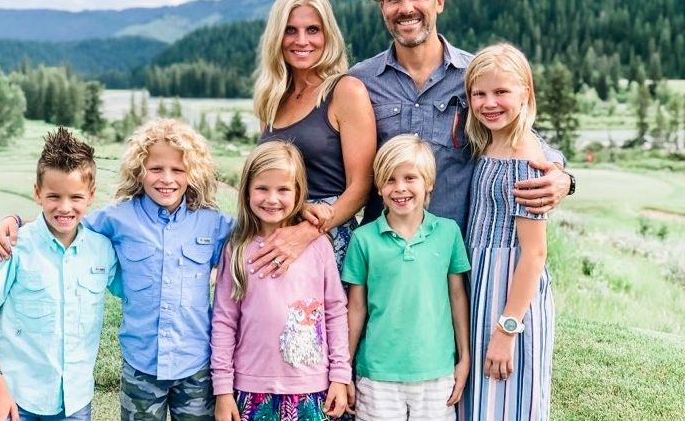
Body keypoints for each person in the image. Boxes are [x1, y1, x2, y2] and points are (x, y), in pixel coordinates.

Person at [0, 119, 234, 421]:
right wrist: (14, 221)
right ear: (139, 170)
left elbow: (258, 233)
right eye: (156, 169)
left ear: (192, 173)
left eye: (178, 170)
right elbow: (64, 224)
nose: (166, 179)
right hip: (141, 367)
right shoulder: (118, 218)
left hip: (196, 366)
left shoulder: (213, 223)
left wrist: (303, 215)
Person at [350, 0, 574, 232]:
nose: (406, 8)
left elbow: (523, 135)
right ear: (383, 8)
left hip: (456, 261)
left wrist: (561, 176)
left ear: (439, 1)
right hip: (383, 260)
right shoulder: (359, 82)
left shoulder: (476, 77)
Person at [0, 127, 117, 420]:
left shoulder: (103, 249)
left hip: (75, 403)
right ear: (37, 193)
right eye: (54, 196)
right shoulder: (13, 246)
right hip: (16, 398)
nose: (65, 207)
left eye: (76, 196)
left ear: (91, 195)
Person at [211, 141, 351, 421]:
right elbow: (224, 320)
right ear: (247, 190)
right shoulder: (237, 248)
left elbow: (335, 312)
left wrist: (340, 376)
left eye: (283, 189)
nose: (272, 199)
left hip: (312, 388)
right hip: (251, 388)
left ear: (299, 193)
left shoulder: (319, 246)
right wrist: (223, 390)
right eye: (262, 188)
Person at [342, 134, 470, 420]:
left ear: (429, 183)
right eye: (389, 180)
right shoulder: (363, 239)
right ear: (378, 187)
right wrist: (344, 369)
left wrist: (464, 358)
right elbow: (356, 307)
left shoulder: (448, 233)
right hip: (377, 375)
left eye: (410, 178)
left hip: (436, 372)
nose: (399, 188)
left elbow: (457, 297)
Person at [252, 0, 377, 277]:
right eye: (291, 30)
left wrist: (306, 231)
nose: (302, 41)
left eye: (312, 30)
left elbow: (361, 187)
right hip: (277, 235)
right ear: (277, 37)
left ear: (327, 35)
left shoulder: (346, 91)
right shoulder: (271, 99)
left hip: (327, 238)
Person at [459, 44, 554, 420]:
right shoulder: (490, 143)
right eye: (478, 94)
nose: (488, 103)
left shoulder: (525, 157)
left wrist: (507, 329)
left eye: (501, 92)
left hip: (509, 296)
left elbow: (534, 254)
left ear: (525, 93)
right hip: (482, 288)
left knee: (507, 404)